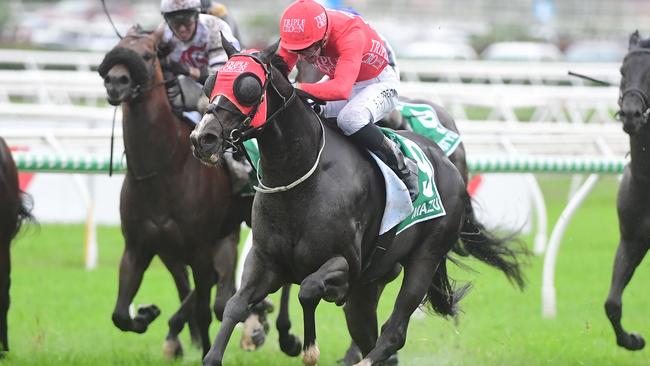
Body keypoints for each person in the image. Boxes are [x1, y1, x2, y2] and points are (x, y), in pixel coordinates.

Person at [278, 0, 419, 200]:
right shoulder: (300, 34)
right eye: (296, 50)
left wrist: (297, 88)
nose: (302, 56)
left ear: (324, 36)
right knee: (304, 112)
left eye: (308, 49)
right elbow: (280, 71)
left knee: (350, 119)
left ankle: (403, 168)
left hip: (376, 83)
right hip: (343, 77)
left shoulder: (349, 34)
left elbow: (341, 90)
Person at [158, 0, 250, 192]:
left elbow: (217, 80)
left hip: (225, 84)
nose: (182, 28)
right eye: (175, 22)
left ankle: (240, 162)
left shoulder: (216, 28)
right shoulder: (163, 34)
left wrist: (184, 69)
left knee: (204, 104)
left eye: (186, 21)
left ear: (196, 15)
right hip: (190, 84)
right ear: (167, 21)